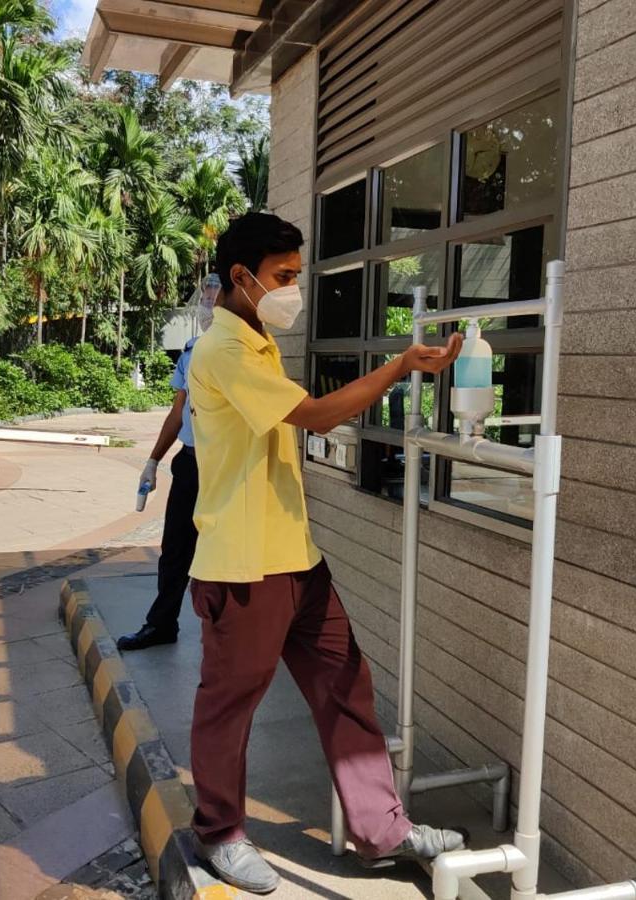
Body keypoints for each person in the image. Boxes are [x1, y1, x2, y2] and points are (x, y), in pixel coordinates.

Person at [185, 212, 467, 893]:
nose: (295, 292)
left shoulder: (254, 340)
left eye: (297, 277)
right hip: (245, 563)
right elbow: (312, 414)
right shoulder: (224, 349)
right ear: (242, 278)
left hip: (296, 557)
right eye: (284, 278)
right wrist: (400, 364)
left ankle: (382, 829)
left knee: (346, 682)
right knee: (231, 705)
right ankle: (219, 832)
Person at [117, 276, 220, 652]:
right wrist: (152, 460)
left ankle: (230, 634)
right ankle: (161, 624)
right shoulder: (192, 351)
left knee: (222, 553)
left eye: (215, 298)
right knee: (175, 548)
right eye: (205, 299)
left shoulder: (238, 351)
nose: (208, 307)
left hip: (224, 467)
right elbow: (178, 412)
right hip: (191, 464)